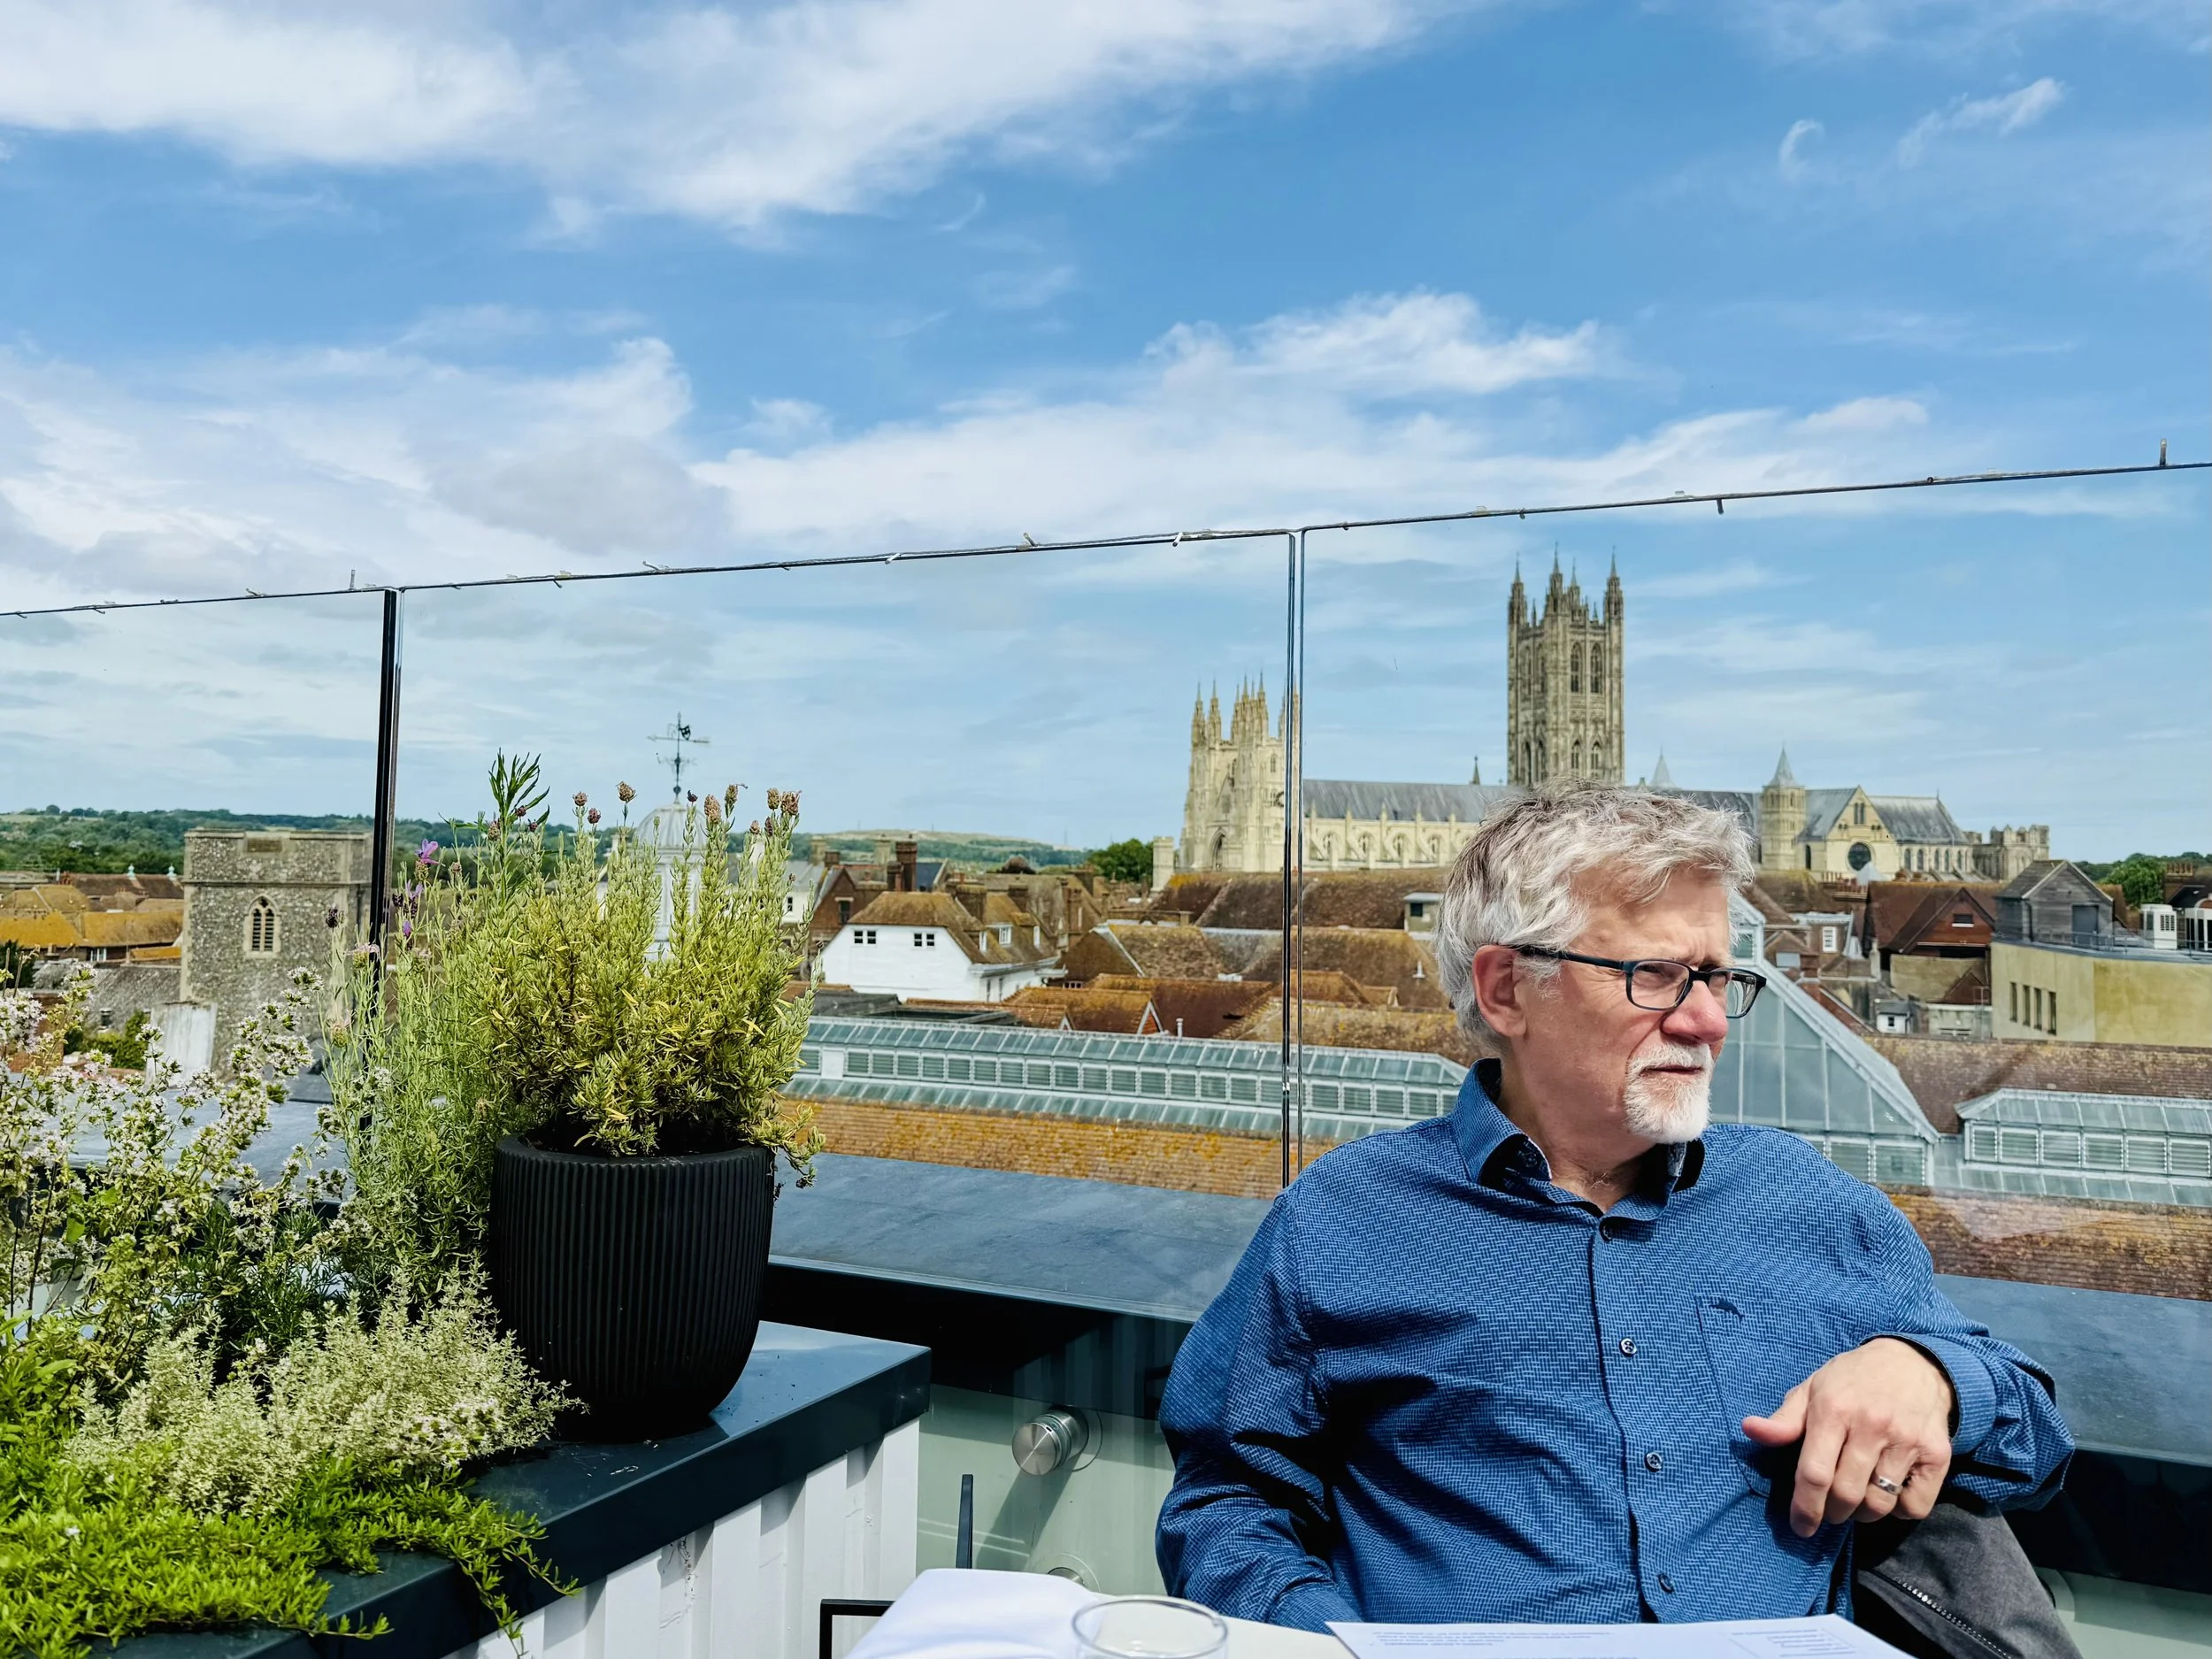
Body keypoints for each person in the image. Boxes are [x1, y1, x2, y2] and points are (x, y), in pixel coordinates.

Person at [1156, 785, 2071, 1628]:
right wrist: (1335, 1647)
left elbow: (2034, 1441)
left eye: (1719, 978)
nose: (1705, 1021)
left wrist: (1931, 1377)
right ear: (1506, 989)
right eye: (1656, 976)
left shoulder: (1805, 1198)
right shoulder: (1344, 1219)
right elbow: (1225, 1503)